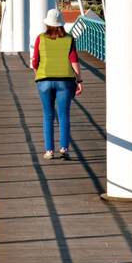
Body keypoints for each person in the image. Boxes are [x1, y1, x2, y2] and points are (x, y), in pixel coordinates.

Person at [31, 9, 82, 159]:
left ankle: (49, 151)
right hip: (65, 81)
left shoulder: (40, 38)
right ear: (61, 24)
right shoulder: (69, 39)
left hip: (44, 81)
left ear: (47, 23)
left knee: (48, 115)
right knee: (64, 114)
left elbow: (34, 61)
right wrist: (79, 81)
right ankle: (64, 149)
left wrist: (39, 75)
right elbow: (74, 61)